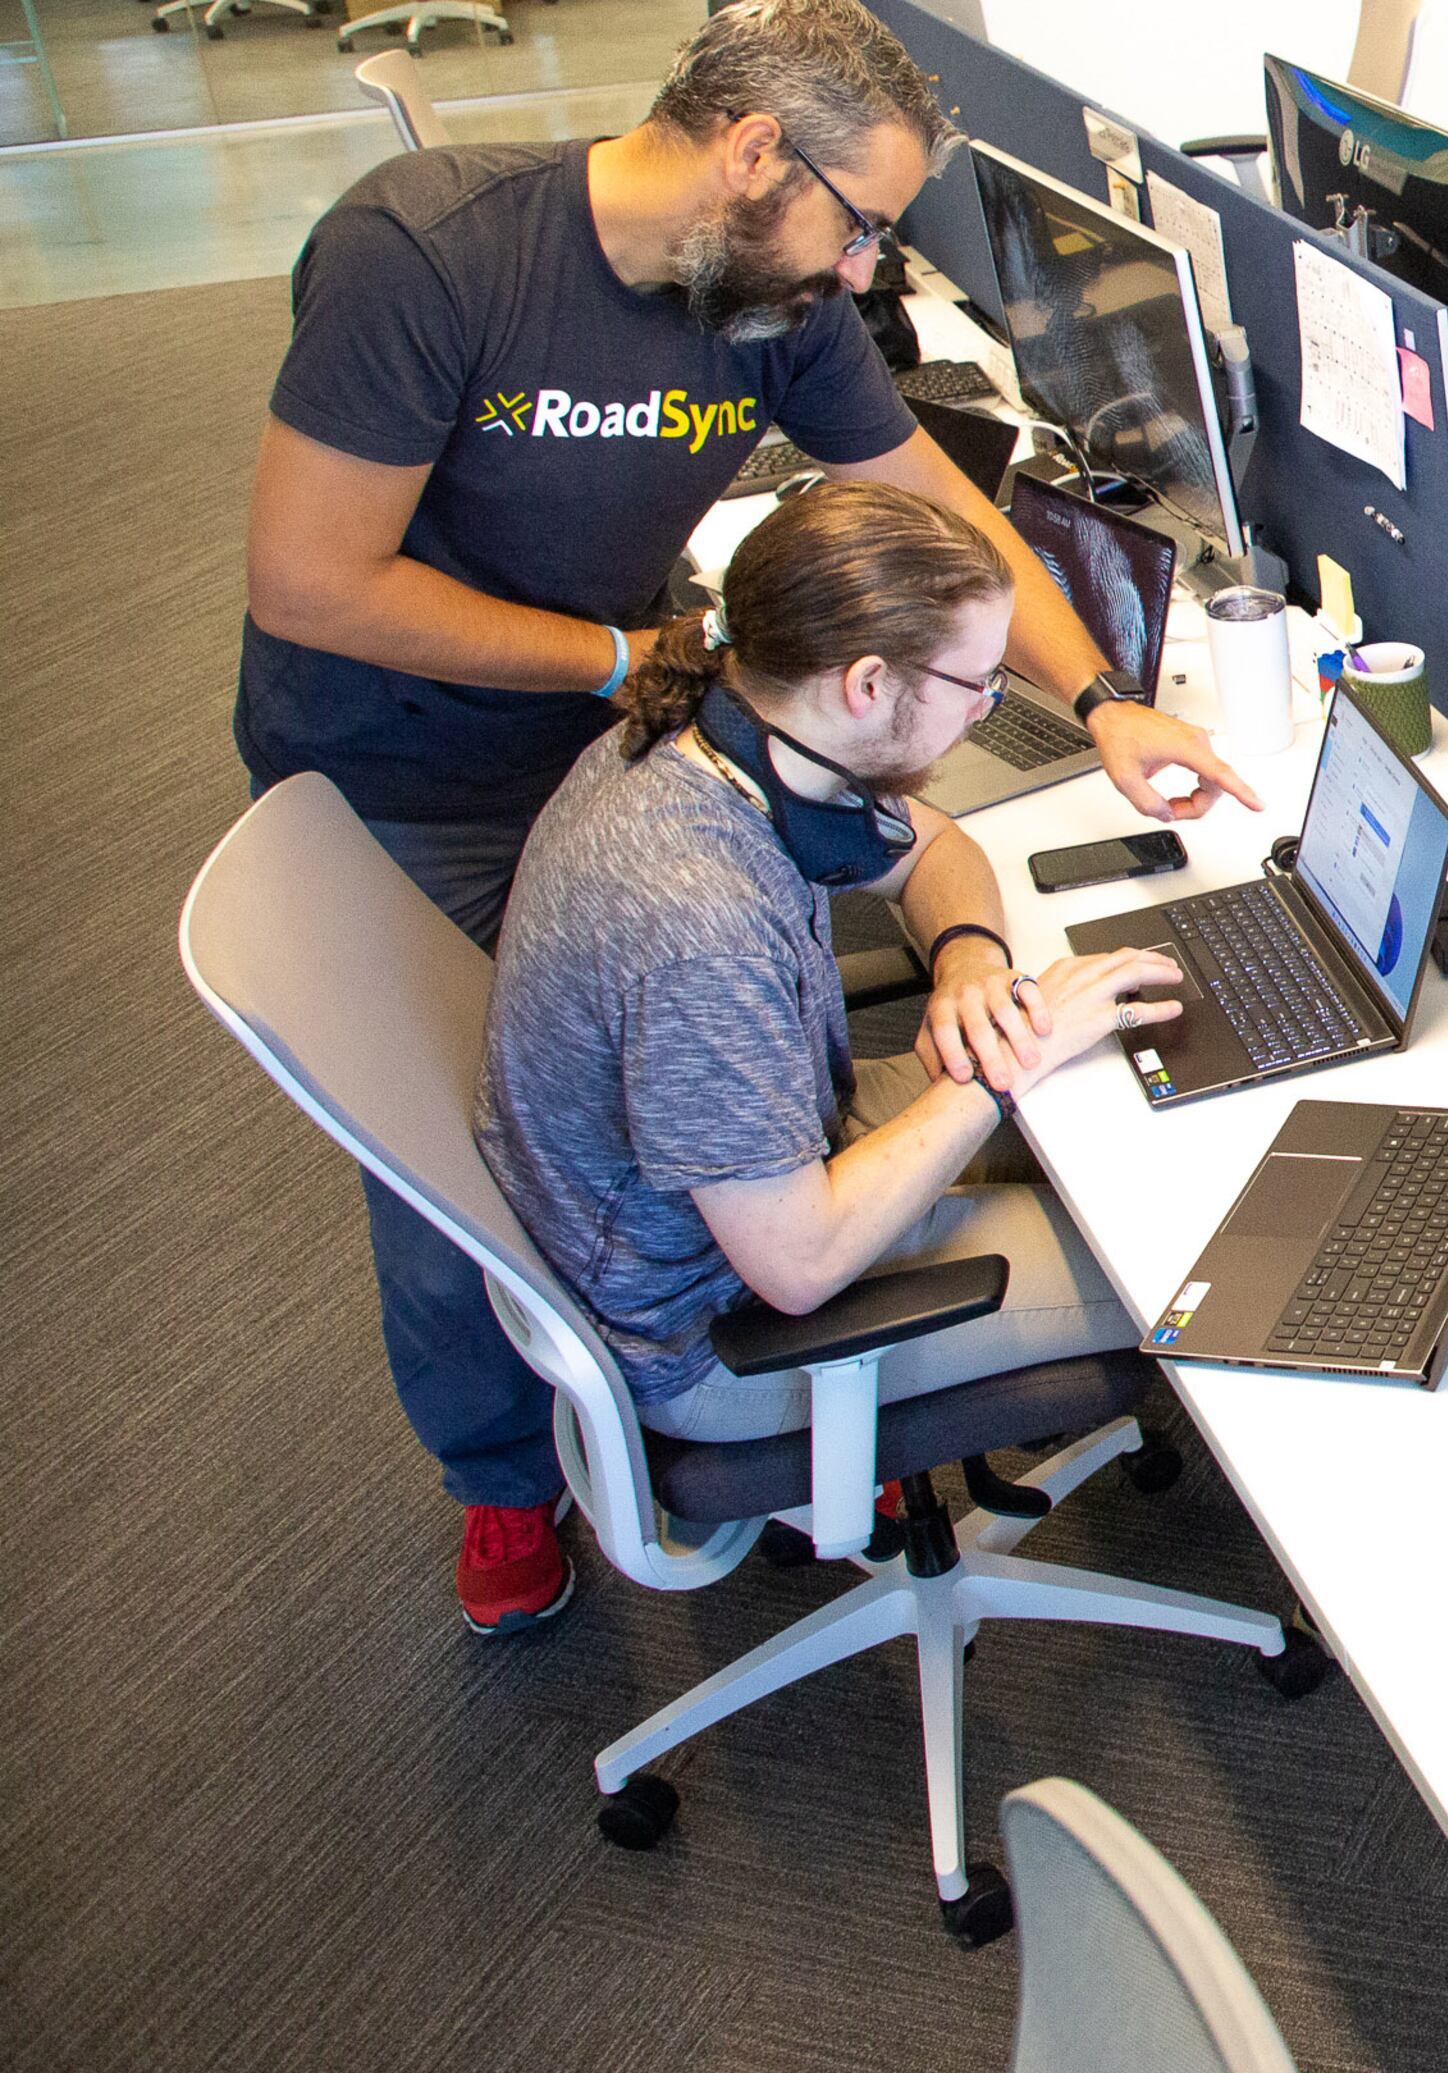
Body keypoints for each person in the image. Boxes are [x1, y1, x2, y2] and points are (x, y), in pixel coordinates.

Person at [237, 0, 1256, 1632]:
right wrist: (625, 656)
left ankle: (757, 1362)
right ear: (752, 152)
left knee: (619, 1081)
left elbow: (945, 513)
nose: (865, 273)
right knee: (454, 1154)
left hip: (616, 732)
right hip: (405, 756)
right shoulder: (428, 260)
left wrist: (1107, 705)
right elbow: (310, 581)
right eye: (860, 228)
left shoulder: (763, 289)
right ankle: (511, 1487)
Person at [478, 482, 1181, 1481]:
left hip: (775, 1160)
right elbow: (798, 1267)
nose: (986, 712)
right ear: (864, 683)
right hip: (729, 1325)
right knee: (1175, 1262)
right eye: (975, 684)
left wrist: (968, 962)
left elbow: (938, 852)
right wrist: (1001, 1069)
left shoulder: (724, 737)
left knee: (1131, 1108)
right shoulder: (699, 930)